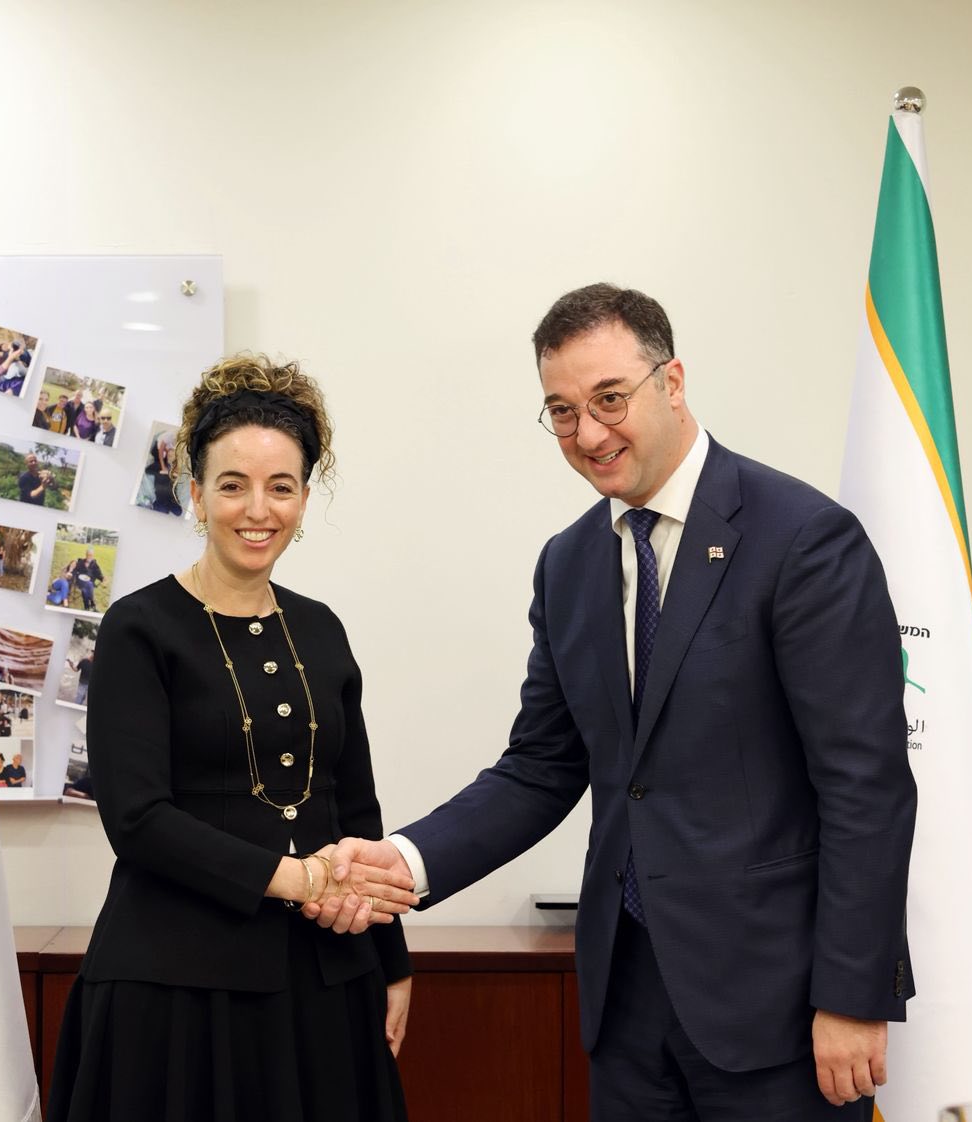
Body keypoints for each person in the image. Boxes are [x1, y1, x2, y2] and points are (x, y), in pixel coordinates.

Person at [311, 285, 918, 1121]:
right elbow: (540, 768)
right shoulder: (568, 565)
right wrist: (406, 863)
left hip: (777, 1007)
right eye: (562, 412)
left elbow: (865, 785)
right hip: (625, 1005)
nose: (589, 434)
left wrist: (852, 995)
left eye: (609, 399)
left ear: (672, 382)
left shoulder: (802, 538)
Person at [45, 354, 418, 1122]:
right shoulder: (138, 629)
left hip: (326, 982)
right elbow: (137, 820)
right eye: (233, 485)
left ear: (305, 497)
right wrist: (298, 880)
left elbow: (356, 809)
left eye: (281, 487)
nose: (258, 509)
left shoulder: (322, 629)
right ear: (195, 493)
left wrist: (391, 961)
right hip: (175, 989)